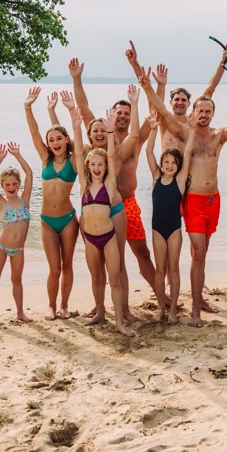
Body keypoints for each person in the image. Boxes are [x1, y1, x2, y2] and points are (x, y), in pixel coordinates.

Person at [132, 40, 227, 326]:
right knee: (198, 252)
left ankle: (197, 296)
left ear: (211, 114)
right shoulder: (184, 133)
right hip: (189, 196)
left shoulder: (218, 134)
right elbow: (160, 109)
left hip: (215, 199)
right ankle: (195, 308)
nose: (203, 114)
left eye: (208, 111)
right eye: (199, 110)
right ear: (192, 112)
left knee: (202, 252)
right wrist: (147, 84)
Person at [70, 106, 134, 337]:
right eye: (93, 165)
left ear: (106, 167)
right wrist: (76, 127)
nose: (97, 168)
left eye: (101, 165)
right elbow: (78, 153)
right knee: (96, 278)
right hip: (90, 239)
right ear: (88, 167)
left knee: (113, 280)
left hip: (108, 238)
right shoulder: (84, 185)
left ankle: (119, 322)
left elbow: (110, 155)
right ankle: (99, 312)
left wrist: (108, 133)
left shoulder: (109, 184)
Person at [24, 88, 79, 320]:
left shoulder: (75, 161)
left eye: (59, 138)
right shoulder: (45, 158)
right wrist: (28, 107)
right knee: (54, 268)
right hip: (47, 221)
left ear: (67, 140)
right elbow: (35, 131)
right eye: (51, 139)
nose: (55, 142)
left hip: (68, 220)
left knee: (67, 266)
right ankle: (51, 306)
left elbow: (77, 132)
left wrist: (70, 111)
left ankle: (64, 306)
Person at [145, 109, 194, 324]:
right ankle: (161, 308)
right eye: (167, 162)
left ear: (178, 166)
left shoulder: (181, 180)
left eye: (174, 163)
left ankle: (173, 309)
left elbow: (189, 150)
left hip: (174, 229)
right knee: (159, 271)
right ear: (162, 164)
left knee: (173, 270)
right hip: (157, 230)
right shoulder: (156, 176)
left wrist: (191, 130)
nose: (169, 165)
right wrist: (154, 129)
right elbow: (148, 152)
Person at [0, 142, 34, 328]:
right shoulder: (1, 203)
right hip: (2, 248)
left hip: (18, 249)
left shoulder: (25, 201)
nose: (11, 187)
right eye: (7, 185)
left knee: (17, 280)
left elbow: (29, 174)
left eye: (14, 184)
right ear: (3, 186)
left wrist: (18, 156)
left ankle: (20, 312)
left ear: (19, 185)